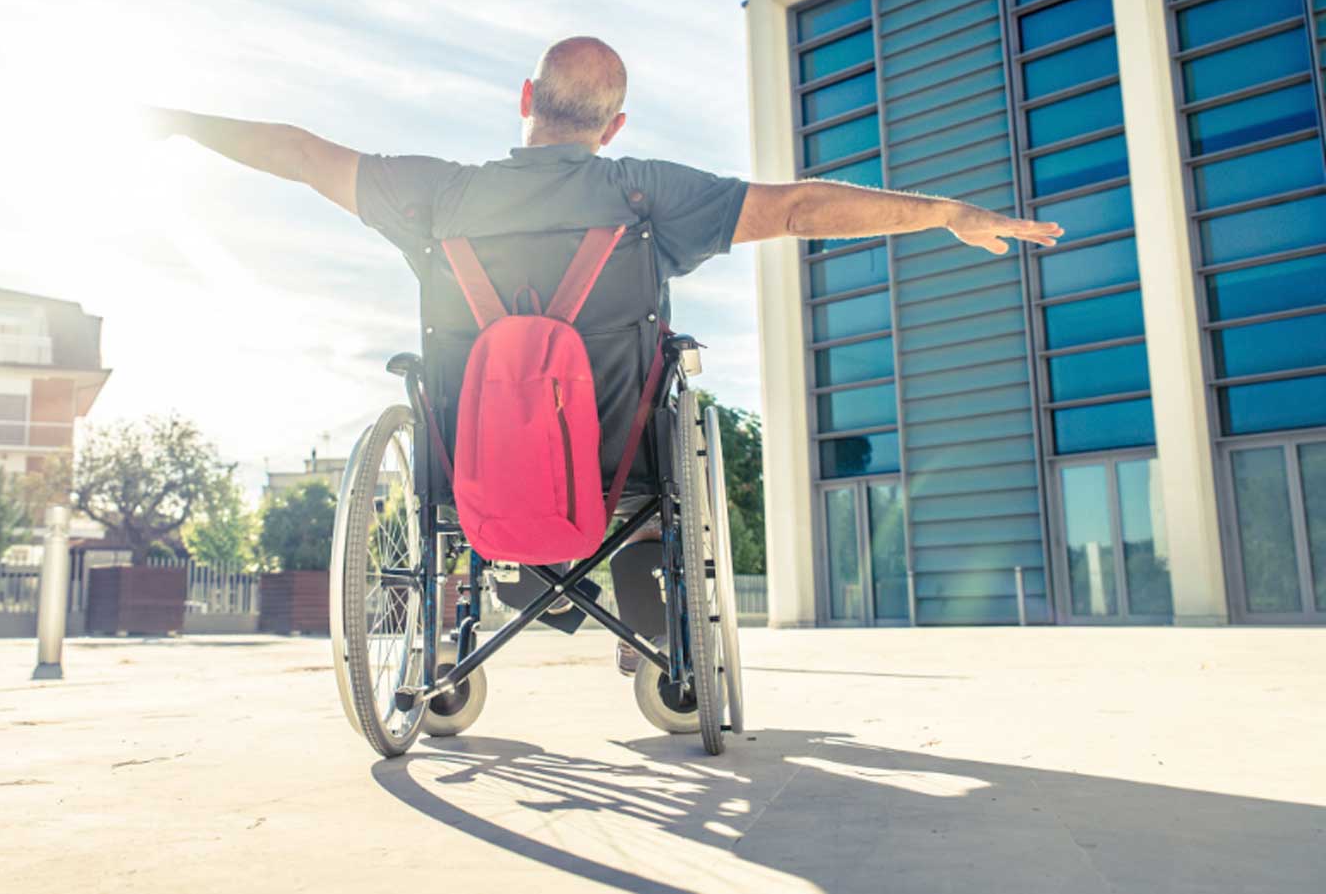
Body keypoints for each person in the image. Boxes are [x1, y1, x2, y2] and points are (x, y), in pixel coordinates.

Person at [143, 35, 1062, 674]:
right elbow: (797, 206)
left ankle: (481, 606)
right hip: (619, 469)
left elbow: (303, 152)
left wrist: (181, 121)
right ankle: (647, 624)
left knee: (493, 453)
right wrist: (945, 212)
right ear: (612, 127)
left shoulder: (434, 195)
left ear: (525, 103)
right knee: (650, 463)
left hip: (468, 468)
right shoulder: (644, 195)